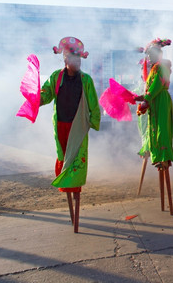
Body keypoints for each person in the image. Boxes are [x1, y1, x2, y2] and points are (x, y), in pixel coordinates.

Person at [40, 37, 101, 232]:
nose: (77, 63)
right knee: (65, 159)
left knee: (76, 163)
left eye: (79, 59)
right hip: (61, 126)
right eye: (73, 59)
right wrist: (35, 98)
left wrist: (92, 122)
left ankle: (76, 198)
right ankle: (70, 199)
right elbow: (46, 94)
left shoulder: (86, 80)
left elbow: (93, 104)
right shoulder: (56, 77)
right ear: (65, 59)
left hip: (78, 128)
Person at [135, 38, 173, 167]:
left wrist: (146, 98)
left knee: (161, 128)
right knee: (153, 128)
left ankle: (164, 157)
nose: (149, 57)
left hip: (160, 99)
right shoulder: (154, 68)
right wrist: (142, 97)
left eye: (151, 54)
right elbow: (150, 88)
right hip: (154, 99)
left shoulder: (161, 67)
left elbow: (157, 85)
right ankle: (158, 155)